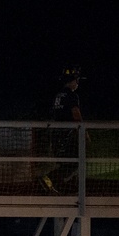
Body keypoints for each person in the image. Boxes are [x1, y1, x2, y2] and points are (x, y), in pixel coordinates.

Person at [40, 66, 86, 194]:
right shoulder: (72, 95)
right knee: (73, 162)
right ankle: (48, 179)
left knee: (66, 162)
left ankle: (61, 186)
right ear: (73, 80)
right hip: (66, 136)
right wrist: (83, 132)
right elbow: (76, 114)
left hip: (55, 135)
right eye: (77, 80)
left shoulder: (57, 96)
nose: (77, 83)